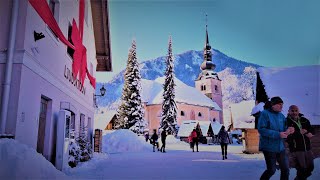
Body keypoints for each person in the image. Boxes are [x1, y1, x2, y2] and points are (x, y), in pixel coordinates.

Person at [258, 96, 294, 180]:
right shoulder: (264, 114)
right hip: (268, 147)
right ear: (272, 105)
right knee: (271, 170)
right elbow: (261, 129)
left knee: (285, 169)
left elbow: (284, 128)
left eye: (282, 104)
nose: (281, 106)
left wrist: (289, 130)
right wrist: (278, 134)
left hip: (280, 147)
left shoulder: (281, 116)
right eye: (278, 104)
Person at [286, 105, 314, 180]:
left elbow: (312, 129)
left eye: (296, 110)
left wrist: (310, 132)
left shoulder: (304, 120)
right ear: (288, 111)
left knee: (310, 168)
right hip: (297, 149)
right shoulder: (286, 122)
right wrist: (299, 132)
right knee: (302, 170)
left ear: (298, 111)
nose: (294, 112)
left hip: (307, 148)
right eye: (292, 111)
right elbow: (287, 136)